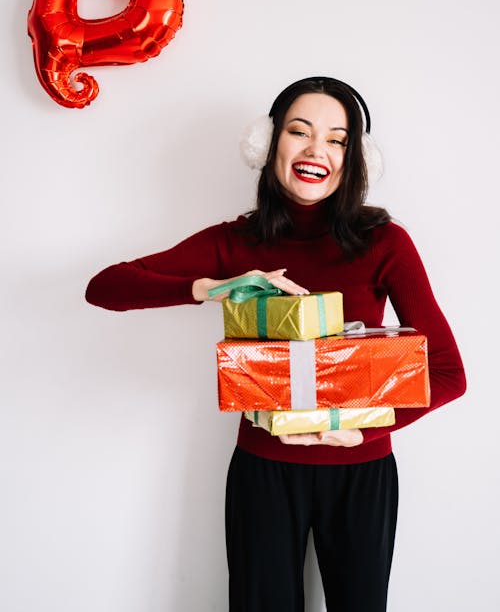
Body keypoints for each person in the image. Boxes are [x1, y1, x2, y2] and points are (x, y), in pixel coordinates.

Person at [86, 77, 466, 612]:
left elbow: (449, 372)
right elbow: (105, 287)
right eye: (299, 131)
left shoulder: (385, 242)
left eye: (337, 139)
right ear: (267, 146)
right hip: (262, 470)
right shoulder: (235, 241)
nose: (317, 150)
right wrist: (213, 288)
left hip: (362, 472)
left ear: (355, 157)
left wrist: (361, 430)